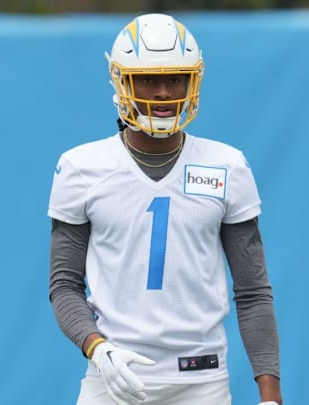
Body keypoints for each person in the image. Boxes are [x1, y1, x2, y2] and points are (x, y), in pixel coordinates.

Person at [47, 13, 282, 405]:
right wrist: (97, 348)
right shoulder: (81, 168)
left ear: (193, 81)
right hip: (113, 377)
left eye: (174, 78)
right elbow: (64, 286)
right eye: (148, 79)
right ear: (123, 82)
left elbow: (253, 291)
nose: (161, 92)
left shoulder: (227, 165)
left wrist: (270, 394)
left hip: (202, 381)